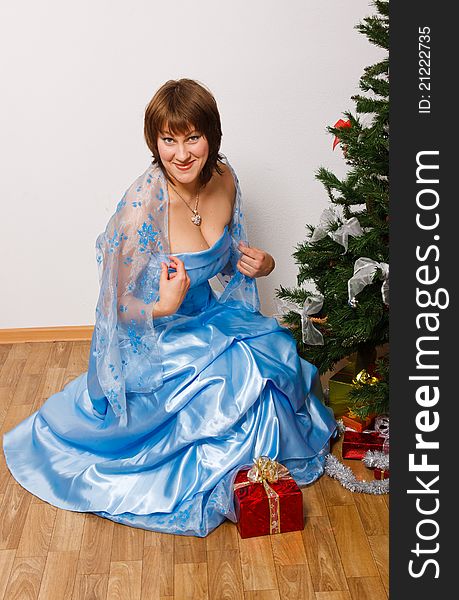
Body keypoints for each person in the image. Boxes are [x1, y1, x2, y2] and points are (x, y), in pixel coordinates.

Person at [3, 79, 337, 537]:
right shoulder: (141, 208)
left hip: (211, 319)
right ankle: (232, 474)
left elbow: (225, 257)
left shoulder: (225, 178)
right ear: (154, 142)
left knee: (270, 353)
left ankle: (254, 474)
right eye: (168, 140)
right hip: (159, 338)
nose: (181, 154)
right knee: (235, 374)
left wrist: (262, 263)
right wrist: (163, 305)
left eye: (192, 138)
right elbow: (112, 308)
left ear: (212, 137)